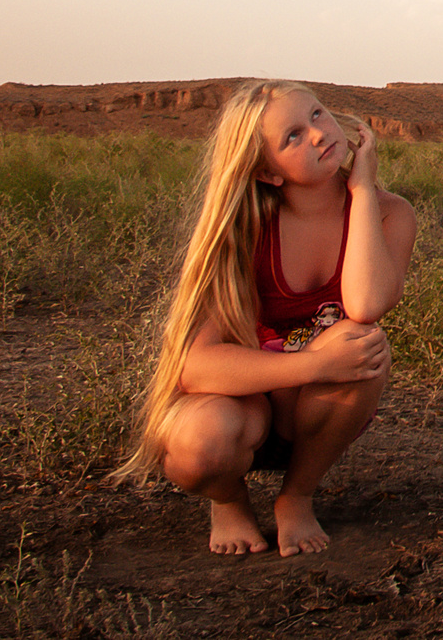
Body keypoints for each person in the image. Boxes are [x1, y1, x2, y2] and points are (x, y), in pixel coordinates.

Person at [115, 82, 417, 555]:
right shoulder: (244, 229)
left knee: (363, 342)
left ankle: (296, 496)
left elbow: (365, 306)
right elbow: (194, 367)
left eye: (317, 114)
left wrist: (361, 190)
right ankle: (228, 500)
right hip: (243, 404)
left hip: (314, 412)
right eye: (292, 136)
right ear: (267, 172)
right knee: (198, 446)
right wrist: (315, 365)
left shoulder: (389, 214)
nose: (318, 134)